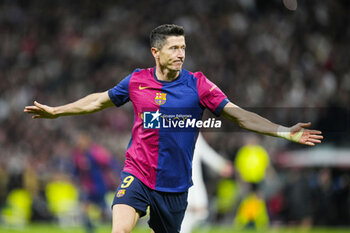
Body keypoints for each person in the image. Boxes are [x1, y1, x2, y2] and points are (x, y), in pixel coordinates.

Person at [24, 24, 323, 233]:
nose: (181, 53)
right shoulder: (137, 81)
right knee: (120, 229)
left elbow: (239, 115)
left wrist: (283, 131)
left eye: (183, 47)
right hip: (137, 174)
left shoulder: (198, 84)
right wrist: (57, 112)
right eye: (174, 48)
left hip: (175, 187)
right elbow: (98, 101)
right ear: (156, 52)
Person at [180, 133, 233, 233]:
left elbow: (204, 150)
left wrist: (220, 165)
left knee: (195, 214)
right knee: (190, 215)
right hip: (182, 185)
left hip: (189, 185)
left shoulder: (191, 131)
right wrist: (221, 165)